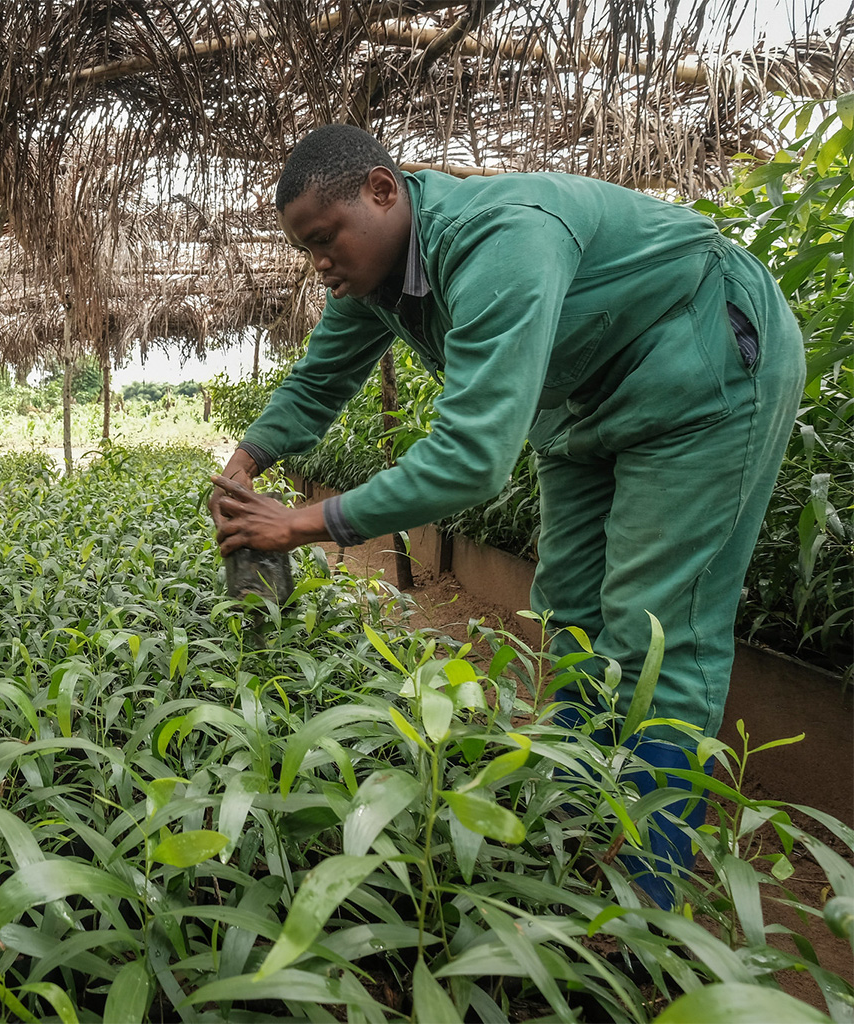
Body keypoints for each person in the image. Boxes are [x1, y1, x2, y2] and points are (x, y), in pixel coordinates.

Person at [209, 125, 802, 908]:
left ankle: (647, 899)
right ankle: (580, 828)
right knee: (571, 618)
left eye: (326, 239)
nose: (320, 263)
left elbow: (471, 460)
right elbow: (320, 381)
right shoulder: (373, 282)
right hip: (585, 405)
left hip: (703, 372)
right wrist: (244, 463)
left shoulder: (500, 236)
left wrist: (302, 523)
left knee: (659, 632)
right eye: (306, 249)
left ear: (384, 191)